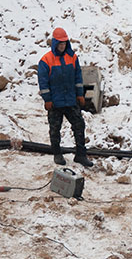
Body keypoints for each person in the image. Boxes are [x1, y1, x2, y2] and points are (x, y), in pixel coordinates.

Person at [37, 27, 93, 167]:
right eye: (60, 43)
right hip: (55, 102)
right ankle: (57, 153)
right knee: (55, 129)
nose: (62, 46)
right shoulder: (46, 61)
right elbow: (43, 83)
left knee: (79, 125)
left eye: (64, 43)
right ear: (55, 43)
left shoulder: (72, 57)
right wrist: (47, 99)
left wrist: (80, 95)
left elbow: (77, 77)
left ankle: (80, 154)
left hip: (70, 100)